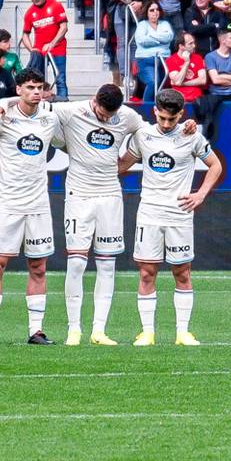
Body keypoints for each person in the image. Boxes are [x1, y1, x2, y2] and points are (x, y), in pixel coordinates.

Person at [0, 71, 63, 344]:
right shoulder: (3, 118)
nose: (35, 92)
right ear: (19, 89)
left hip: (38, 204)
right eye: (29, 88)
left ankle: (35, 330)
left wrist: (5, 98)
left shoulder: (50, 118)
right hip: (9, 203)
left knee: (38, 267)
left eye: (39, 88)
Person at [130, 87, 223, 345]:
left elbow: (216, 165)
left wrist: (200, 194)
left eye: (172, 119)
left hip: (179, 214)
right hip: (149, 212)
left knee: (182, 272)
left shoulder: (191, 136)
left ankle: (183, 332)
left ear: (181, 114)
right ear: (154, 112)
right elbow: (121, 163)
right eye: (162, 118)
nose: (167, 123)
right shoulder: (143, 135)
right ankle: (147, 332)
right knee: (147, 272)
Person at [56, 81, 145, 345]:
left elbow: (147, 135)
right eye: (102, 113)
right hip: (79, 195)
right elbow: (35, 107)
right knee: (77, 262)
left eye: (109, 116)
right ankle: (74, 329)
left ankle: (99, 331)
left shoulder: (127, 116)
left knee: (107, 264)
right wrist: (3, 105)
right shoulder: (71, 111)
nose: (105, 119)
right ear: (94, 100)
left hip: (110, 196)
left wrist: (125, 161)